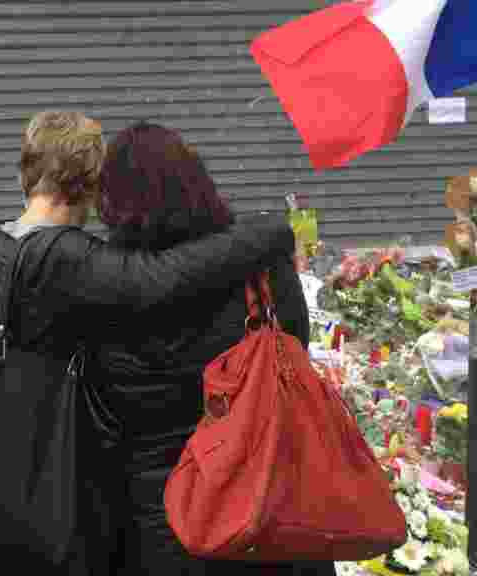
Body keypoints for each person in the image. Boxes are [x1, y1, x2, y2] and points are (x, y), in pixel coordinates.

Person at [0, 111, 297, 575]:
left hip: (152, 514)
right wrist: (270, 232)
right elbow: (290, 344)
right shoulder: (86, 265)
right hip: (266, 500)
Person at [93, 121, 329, 576]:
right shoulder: (259, 268)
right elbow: (296, 347)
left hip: (160, 521)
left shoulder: (104, 284)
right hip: (263, 503)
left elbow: (100, 402)